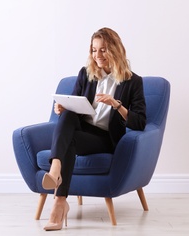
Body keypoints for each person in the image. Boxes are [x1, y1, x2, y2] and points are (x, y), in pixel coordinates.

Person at [42, 27, 147, 231]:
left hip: (105, 139)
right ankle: (58, 188)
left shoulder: (133, 81)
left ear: (116, 50)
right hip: (83, 131)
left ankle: (58, 197)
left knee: (69, 139)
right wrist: (62, 107)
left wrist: (116, 105)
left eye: (103, 50)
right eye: (93, 50)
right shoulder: (86, 74)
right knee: (68, 115)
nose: (97, 55)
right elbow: (74, 103)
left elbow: (140, 122)